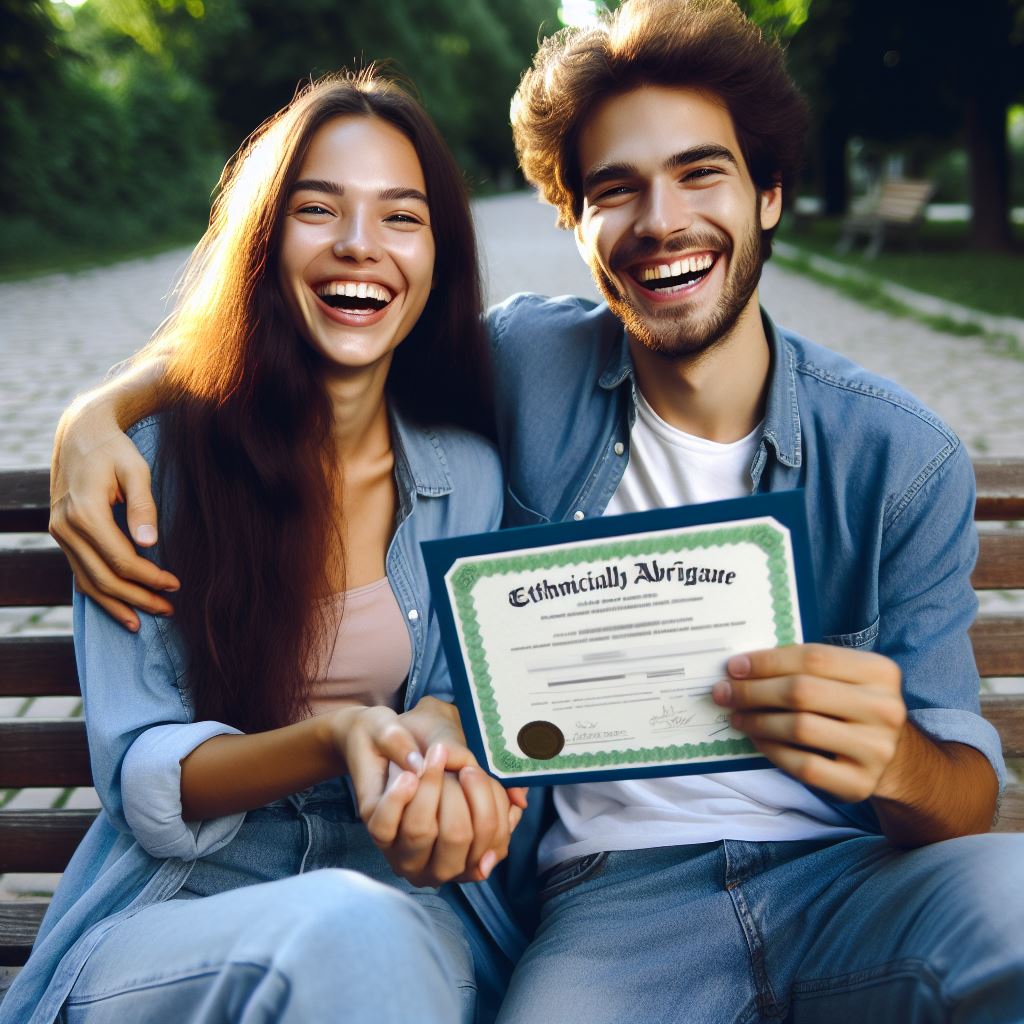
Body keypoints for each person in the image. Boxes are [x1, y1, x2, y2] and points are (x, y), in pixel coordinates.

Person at [44, 1, 1024, 1021]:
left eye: (701, 173)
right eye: (615, 189)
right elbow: (327, 318)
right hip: (612, 902)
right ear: (571, 219)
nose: (661, 221)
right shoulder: (525, 368)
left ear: (769, 193)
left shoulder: (900, 458)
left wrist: (897, 760)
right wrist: (102, 409)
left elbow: (962, 792)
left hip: (849, 875)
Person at [0, 71, 536, 1024]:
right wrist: (336, 738)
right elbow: (142, 767)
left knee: (381, 943)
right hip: (185, 909)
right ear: (264, 240)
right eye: (317, 208)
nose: (359, 245)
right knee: (351, 934)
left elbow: (459, 699)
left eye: (401, 217)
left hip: (411, 902)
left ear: (438, 257)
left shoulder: (470, 476)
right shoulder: (149, 469)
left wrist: (448, 768)